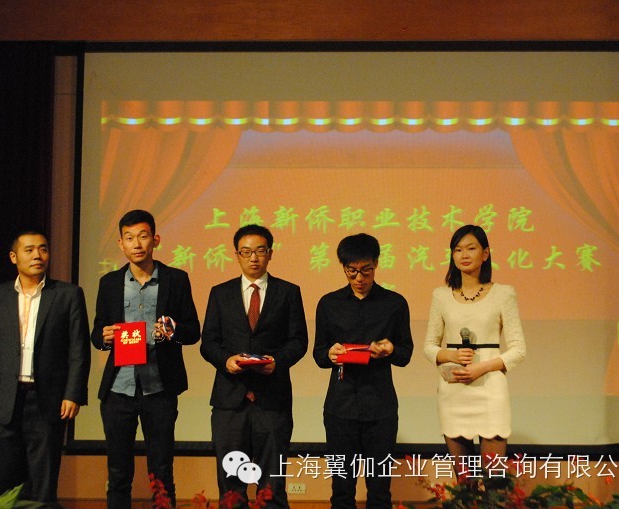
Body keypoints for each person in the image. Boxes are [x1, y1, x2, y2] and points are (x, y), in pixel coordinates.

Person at [91, 209, 200, 508]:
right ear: (121, 244)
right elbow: (97, 333)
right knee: (118, 473)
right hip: (119, 389)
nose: (137, 244)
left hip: (159, 388)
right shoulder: (109, 283)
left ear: (156, 239)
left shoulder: (176, 279)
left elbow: (193, 331)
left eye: (143, 236)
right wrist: (104, 337)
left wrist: (173, 331)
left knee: (162, 471)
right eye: (129, 238)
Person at [0, 228, 90, 504]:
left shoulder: (68, 294)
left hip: (47, 399)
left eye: (43, 249)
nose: (38, 255)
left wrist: (72, 394)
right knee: (0, 479)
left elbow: (78, 350)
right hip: (2, 399)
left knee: (43, 481)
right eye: (29, 250)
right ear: (13, 257)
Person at [200, 224, 308, 508]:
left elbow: (299, 341)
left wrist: (277, 362)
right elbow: (208, 342)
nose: (254, 258)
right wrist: (226, 361)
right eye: (246, 252)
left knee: (272, 485)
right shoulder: (220, 293)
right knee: (231, 485)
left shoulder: (288, 292)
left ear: (270, 253)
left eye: (260, 251)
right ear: (236, 254)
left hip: (272, 401)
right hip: (229, 402)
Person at [312, 233, 413, 509]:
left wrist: (391, 349)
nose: (359, 278)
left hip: (380, 407)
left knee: (379, 489)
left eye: (366, 270)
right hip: (340, 407)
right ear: (343, 267)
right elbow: (318, 354)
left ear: (376, 263)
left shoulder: (394, 303)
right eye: (352, 271)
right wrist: (330, 354)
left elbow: (405, 354)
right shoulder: (329, 304)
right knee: (341, 489)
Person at [423, 224, 526, 477]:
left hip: (490, 388)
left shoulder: (503, 294)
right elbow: (429, 346)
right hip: (453, 388)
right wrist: (450, 355)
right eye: (458, 250)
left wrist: (482, 367)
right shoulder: (441, 295)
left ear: (485, 253)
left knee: (494, 478)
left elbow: (518, 349)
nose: (464, 255)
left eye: (471, 248)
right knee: (465, 480)